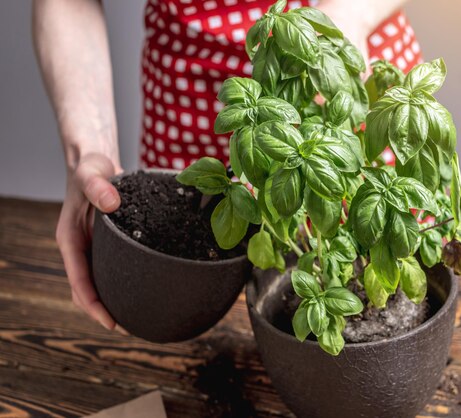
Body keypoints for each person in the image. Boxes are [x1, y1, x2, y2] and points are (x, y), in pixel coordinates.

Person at [32, 0, 423, 331]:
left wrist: (349, 16)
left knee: (368, 282)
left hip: (332, 73)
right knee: (183, 304)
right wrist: (87, 148)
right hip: (187, 93)